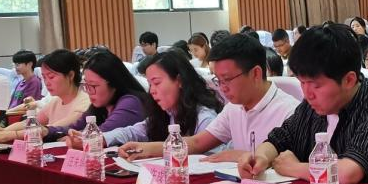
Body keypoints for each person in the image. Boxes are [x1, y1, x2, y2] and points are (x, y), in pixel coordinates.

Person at [238, 23, 368, 184]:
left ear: (349, 80)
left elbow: (349, 172)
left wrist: (294, 167)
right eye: (302, 82)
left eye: (316, 85)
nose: (307, 93)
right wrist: (260, 157)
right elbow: (280, 138)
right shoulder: (312, 106)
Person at [119, 34, 299, 163]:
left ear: (256, 74)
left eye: (227, 79)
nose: (222, 87)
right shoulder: (234, 107)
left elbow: (293, 164)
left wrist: (242, 156)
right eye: (218, 80)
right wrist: (147, 149)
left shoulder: (290, 111)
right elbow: (197, 142)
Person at [103, 50, 223, 147]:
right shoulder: (167, 113)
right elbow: (134, 131)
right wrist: (103, 138)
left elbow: (212, 158)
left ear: (180, 81)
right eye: (150, 84)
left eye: (157, 83)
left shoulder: (204, 117)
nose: (152, 91)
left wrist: (152, 149)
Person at [43, 52, 149, 147]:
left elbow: (99, 133)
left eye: (93, 86)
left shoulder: (131, 102)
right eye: (86, 85)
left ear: (114, 83)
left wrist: (75, 137)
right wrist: (46, 131)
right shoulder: (101, 104)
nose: (88, 91)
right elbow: (75, 127)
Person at [0, 49, 90, 140]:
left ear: (70, 75)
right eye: (44, 78)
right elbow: (31, 122)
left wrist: (5, 135)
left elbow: (49, 129)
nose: (47, 83)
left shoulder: (84, 103)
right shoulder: (56, 100)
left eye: (51, 77)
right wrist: (3, 130)